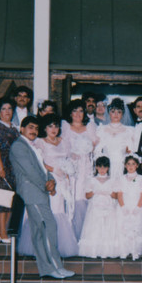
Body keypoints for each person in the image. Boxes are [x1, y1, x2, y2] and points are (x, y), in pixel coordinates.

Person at [9, 116, 75, 279]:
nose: (34, 131)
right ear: (22, 129)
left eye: (36, 129)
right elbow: (30, 171)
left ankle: (49, 268)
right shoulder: (19, 146)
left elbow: (42, 168)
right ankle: (54, 267)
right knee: (47, 227)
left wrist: (51, 181)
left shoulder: (31, 146)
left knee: (41, 230)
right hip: (32, 192)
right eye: (30, 127)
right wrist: (46, 185)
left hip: (39, 191)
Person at [61, 99, 97, 239]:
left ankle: (85, 235)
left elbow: (95, 147)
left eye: (81, 110)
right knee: (71, 194)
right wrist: (71, 154)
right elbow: (62, 147)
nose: (78, 114)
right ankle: (69, 233)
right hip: (71, 166)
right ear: (70, 113)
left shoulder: (90, 127)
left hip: (86, 166)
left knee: (83, 195)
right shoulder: (65, 127)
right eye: (75, 110)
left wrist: (87, 151)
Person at [0, 97, 19, 243]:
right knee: (2, 201)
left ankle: (6, 230)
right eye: (3, 109)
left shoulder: (14, 128)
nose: (7, 112)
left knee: (11, 201)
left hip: (14, 167)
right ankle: (1, 232)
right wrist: (0, 167)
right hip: (2, 165)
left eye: (9, 108)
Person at [78, 156, 119, 258]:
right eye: (100, 167)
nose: (102, 170)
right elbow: (87, 196)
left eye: (104, 167)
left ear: (108, 168)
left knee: (108, 228)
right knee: (95, 229)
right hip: (95, 207)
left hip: (108, 207)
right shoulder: (91, 180)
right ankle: (94, 251)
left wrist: (109, 192)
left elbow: (116, 196)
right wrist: (95, 191)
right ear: (96, 167)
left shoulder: (113, 180)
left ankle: (106, 251)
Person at [95, 97, 135, 179]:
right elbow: (97, 151)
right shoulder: (101, 129)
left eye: (119, 112)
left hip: (122, 166)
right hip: (105, 166)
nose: (116, 114)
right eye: (113, 112)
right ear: (109, 113)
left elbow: (131, 151)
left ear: (123, 114)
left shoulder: (129, 131)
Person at [117, 155, 142, 260]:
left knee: (136, 227)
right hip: (125, 205)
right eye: (128, 164)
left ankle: (136, 251)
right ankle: (124, 250)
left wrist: (138, 207)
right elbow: (119, 194)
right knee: (124, 227)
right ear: (125, 166)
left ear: (137, 165)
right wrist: (123, 206)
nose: (131, 166)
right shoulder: (121, 179)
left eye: (133, 164)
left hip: (136, 204)